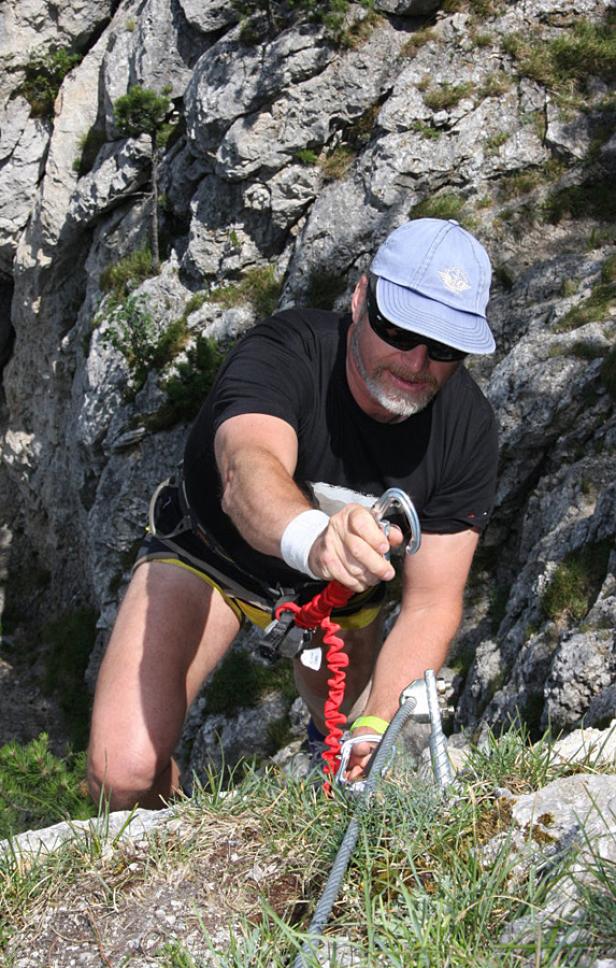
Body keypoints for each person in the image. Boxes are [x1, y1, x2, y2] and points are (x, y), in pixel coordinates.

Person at [87, 218, 498, 809]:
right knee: (120, 773)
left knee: (368, 759)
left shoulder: (466, 430)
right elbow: (245, 472)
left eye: (444, 348)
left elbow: (433, 599)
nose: (414, 362)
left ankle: (325, 744)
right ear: (360, 298)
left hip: (342, 599)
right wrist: (315, 536)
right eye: (397, 329)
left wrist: (377, 725)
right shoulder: (287, 352)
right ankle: (167, 845)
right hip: (213, 556)